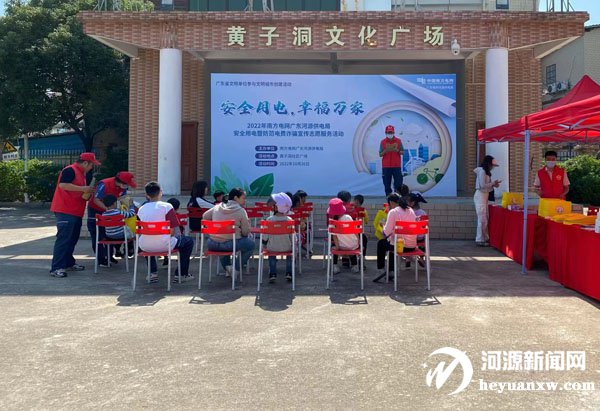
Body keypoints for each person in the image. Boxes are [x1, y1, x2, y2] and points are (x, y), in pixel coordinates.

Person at [49, 152, 99, 278]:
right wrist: (83, 189)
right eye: (91, 165)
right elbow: (63, 185)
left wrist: (87, 193)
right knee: (64, 239)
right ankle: (56, 267)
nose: (91, 168)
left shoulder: (81, 174)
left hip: (75, 211)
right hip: (65, 210)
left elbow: (77, 191)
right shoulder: (70, 170)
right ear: (85, 163)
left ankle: (68, 263)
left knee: (72, 239)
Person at [137, 182, 195, 283]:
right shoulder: (167, 206)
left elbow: (139, 228)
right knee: (188, 241)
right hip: (165, 244)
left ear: (146, 195)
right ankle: (181, 274)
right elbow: (172, 231)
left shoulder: (141, 209)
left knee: (148, 240)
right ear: (161, 192)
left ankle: (152, 273)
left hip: (144, 245)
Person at [87, 171, 137, 266]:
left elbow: (122, 198)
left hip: (110, 210)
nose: (127, 187)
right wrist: (108, 210)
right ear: (121, 182)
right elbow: (96, 200)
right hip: (96, 210)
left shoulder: (122, 188)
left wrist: (127, 205)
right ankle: (101, 259)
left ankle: (109, 256)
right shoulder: (104, 184)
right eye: (127, 184)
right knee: (98, 235)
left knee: (109, 234)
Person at [203, 187, 255, 276]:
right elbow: (245, 232)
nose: (245, 200)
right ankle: (236, 268)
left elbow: (205, 216)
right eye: (243, 198)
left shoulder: (217, 206)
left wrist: (217, 223)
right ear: (236, 198)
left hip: (212, 243)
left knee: (224, 240)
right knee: (251, 245)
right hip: (230, 244)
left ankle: (228, 268)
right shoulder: (241, 211)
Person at [375, 193, 417, 280]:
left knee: (381, 243)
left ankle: (381, 269)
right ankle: (391, 271)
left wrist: (383, 225)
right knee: (392, 242)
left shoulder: (393, 212)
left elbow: (385, 233)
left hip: (400, 247)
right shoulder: (411, 210)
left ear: (391, 202)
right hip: (412, 246)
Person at [263, 192, 294, 283]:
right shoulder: (290, 220)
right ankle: (289, 273)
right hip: (287, 247)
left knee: (271, 254)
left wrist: (264, 243)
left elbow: (265, 237)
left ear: (276, 207)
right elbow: (292, 237)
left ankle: (272, 273)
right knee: (290, 254)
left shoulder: (269, 220)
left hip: (272, 248)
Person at [327, 198, 361, 274]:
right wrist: (358, 241)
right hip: (353, 245)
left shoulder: (332, 222)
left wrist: (337, 247)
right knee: (350, 244)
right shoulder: (348, 217)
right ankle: (355, 265)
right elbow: (355, 231)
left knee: (333, 245)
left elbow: (335, 237)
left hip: (341, 247)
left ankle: (335, 266)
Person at [474, 155, 501, 247]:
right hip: (481, 195)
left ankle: (484, 238)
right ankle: (480, 239)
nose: (492, 167)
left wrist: (493, 185)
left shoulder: (484, 172)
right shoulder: (482, 171)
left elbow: (485, 185)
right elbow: (482, 185)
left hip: (484, 195)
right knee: (482, 218)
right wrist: (493, 183)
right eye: (492, 165)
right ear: (488, 164)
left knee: (484, 218)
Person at [380, 125, 404, 196]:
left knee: (398, 184)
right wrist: (385, 151)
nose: (390, 134)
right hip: (386, 166)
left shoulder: (398, 141)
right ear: (386, 133)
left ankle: (398, 199)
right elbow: (380, 154)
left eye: (391, 132)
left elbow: (403, 152)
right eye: (388, 132)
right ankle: (389, 199)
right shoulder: (383, 142)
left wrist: (397, 150)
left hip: (396, 166)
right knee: (387, 184)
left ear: (393, 132)